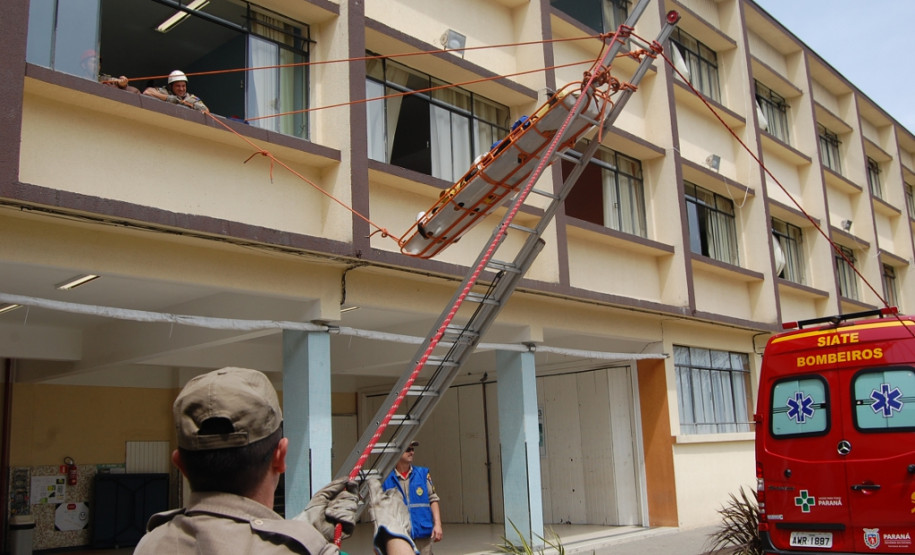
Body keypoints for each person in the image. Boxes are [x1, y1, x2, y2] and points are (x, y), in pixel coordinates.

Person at [134, 366, 417, 555]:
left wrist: (301, 528)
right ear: (281, 456)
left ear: (179, 464)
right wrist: (394, 536)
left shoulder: (151, 543)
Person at [383, 441, 443, 554]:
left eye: (412, 449)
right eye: (408, 450)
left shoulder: (423, 474)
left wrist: (438, 525)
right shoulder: (386, 479)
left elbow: (433, 499)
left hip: (422, 535)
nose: (412, 452)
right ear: (396, 453)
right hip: (399, 536)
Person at [143, 69, 208, 112]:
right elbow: (147, 91)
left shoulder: (191, 98)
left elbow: (206, 110)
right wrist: (169, 98)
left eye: (183, 86)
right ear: (170, 86)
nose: (181, 89)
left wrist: (189, 104)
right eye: (178, 86)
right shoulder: (164, 92)